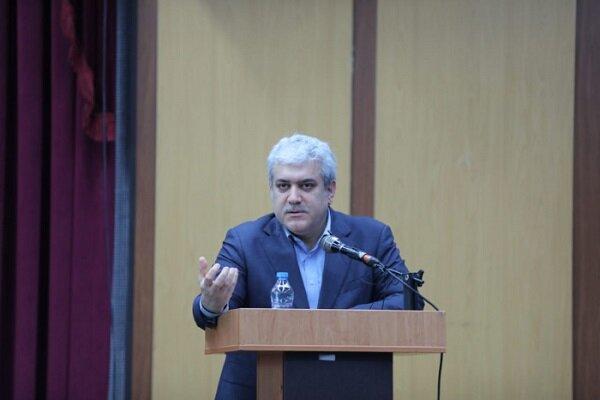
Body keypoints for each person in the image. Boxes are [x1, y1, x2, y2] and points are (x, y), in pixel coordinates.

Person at [193, 133, 410, 400]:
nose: (293, 197)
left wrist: (340, 322)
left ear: (330, 190)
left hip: (349, 385)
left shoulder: (371, 237)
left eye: (306, 186)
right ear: (271, 189)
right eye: (283, 186)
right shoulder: (244, 241)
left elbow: (405, 299)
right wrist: (212, 305)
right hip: (259, 388)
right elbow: (214, 313)